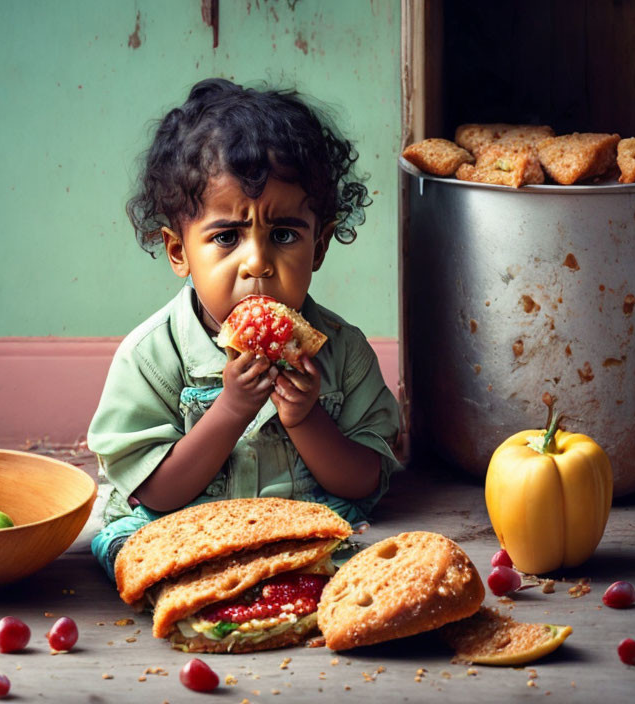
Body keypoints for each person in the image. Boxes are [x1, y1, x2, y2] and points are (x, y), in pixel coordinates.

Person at [88, 78, 402, 581]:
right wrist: (231, 409)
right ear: (178, 252)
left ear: (319, 246)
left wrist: (306, 419)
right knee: (126, 549)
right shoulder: (151, 358)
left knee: (367, 551)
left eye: (283, 235)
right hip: (176, 526)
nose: (257, 262)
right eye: (227, 237)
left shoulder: (345, 353)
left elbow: (365, 482)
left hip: (304, 527)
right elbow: (153, 491)